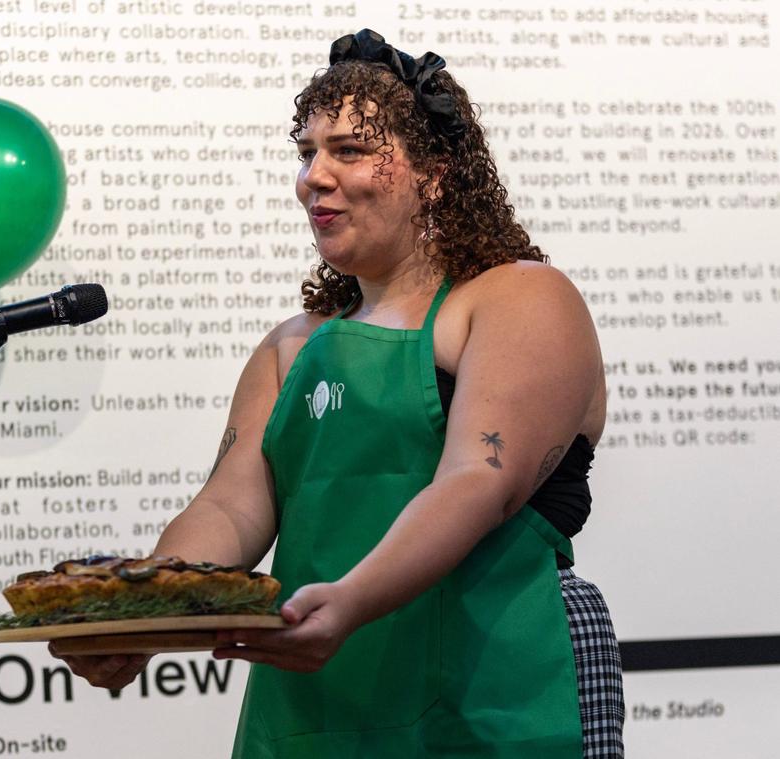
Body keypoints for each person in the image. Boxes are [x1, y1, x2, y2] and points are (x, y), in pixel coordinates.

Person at [53, 28, 625, 758]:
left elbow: (480, 478)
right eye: (306, 152)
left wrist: (352, 600)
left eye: (349, 150)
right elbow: (228, 509)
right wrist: (142, 616)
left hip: (498, 688)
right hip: (320, 693)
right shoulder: (290, 346)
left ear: (436, 172)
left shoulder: (519, 297)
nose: (313, 176)